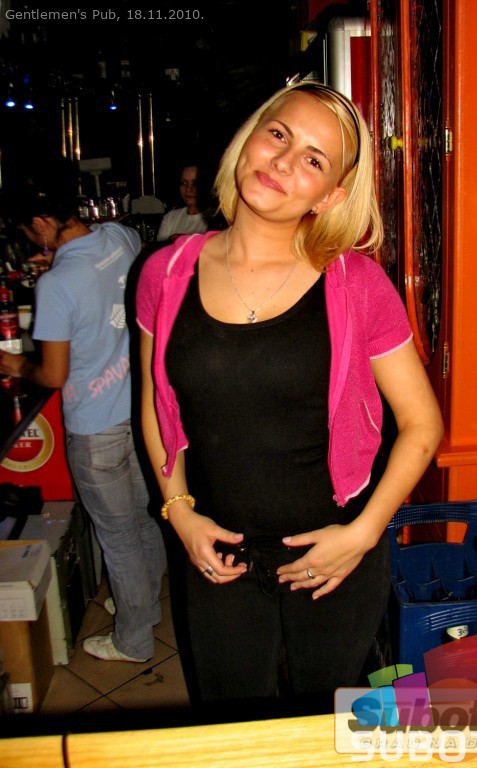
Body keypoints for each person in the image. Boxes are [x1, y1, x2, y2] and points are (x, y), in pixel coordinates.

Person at [136, 82, 443, 713]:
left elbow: (422, 423)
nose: (282, 161)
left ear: (330, 195)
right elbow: (154, 405)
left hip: (335, 555)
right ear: (248, 139)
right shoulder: (165, 273)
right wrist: (179, 511)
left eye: (313, 159)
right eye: (277, 134)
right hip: (217, 551)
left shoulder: (357, 284)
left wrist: (362, 535)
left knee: (325, 725)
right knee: (231, 730)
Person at [0, 189, 167, 663]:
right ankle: (146, 607)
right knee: (143, 519)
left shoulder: (57, 284)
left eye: (30, 232)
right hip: (139, 413)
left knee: (118, 537)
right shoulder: (120, 236)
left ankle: (134, 639)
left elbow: (53, 375)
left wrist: (17, 366)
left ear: (41, 221)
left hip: (95, 429)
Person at [156, 164, 209, 242]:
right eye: (184, 183)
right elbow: (161, 248)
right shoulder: (170, 218)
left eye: (195, 183)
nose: (188, 189)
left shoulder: (216, 220)